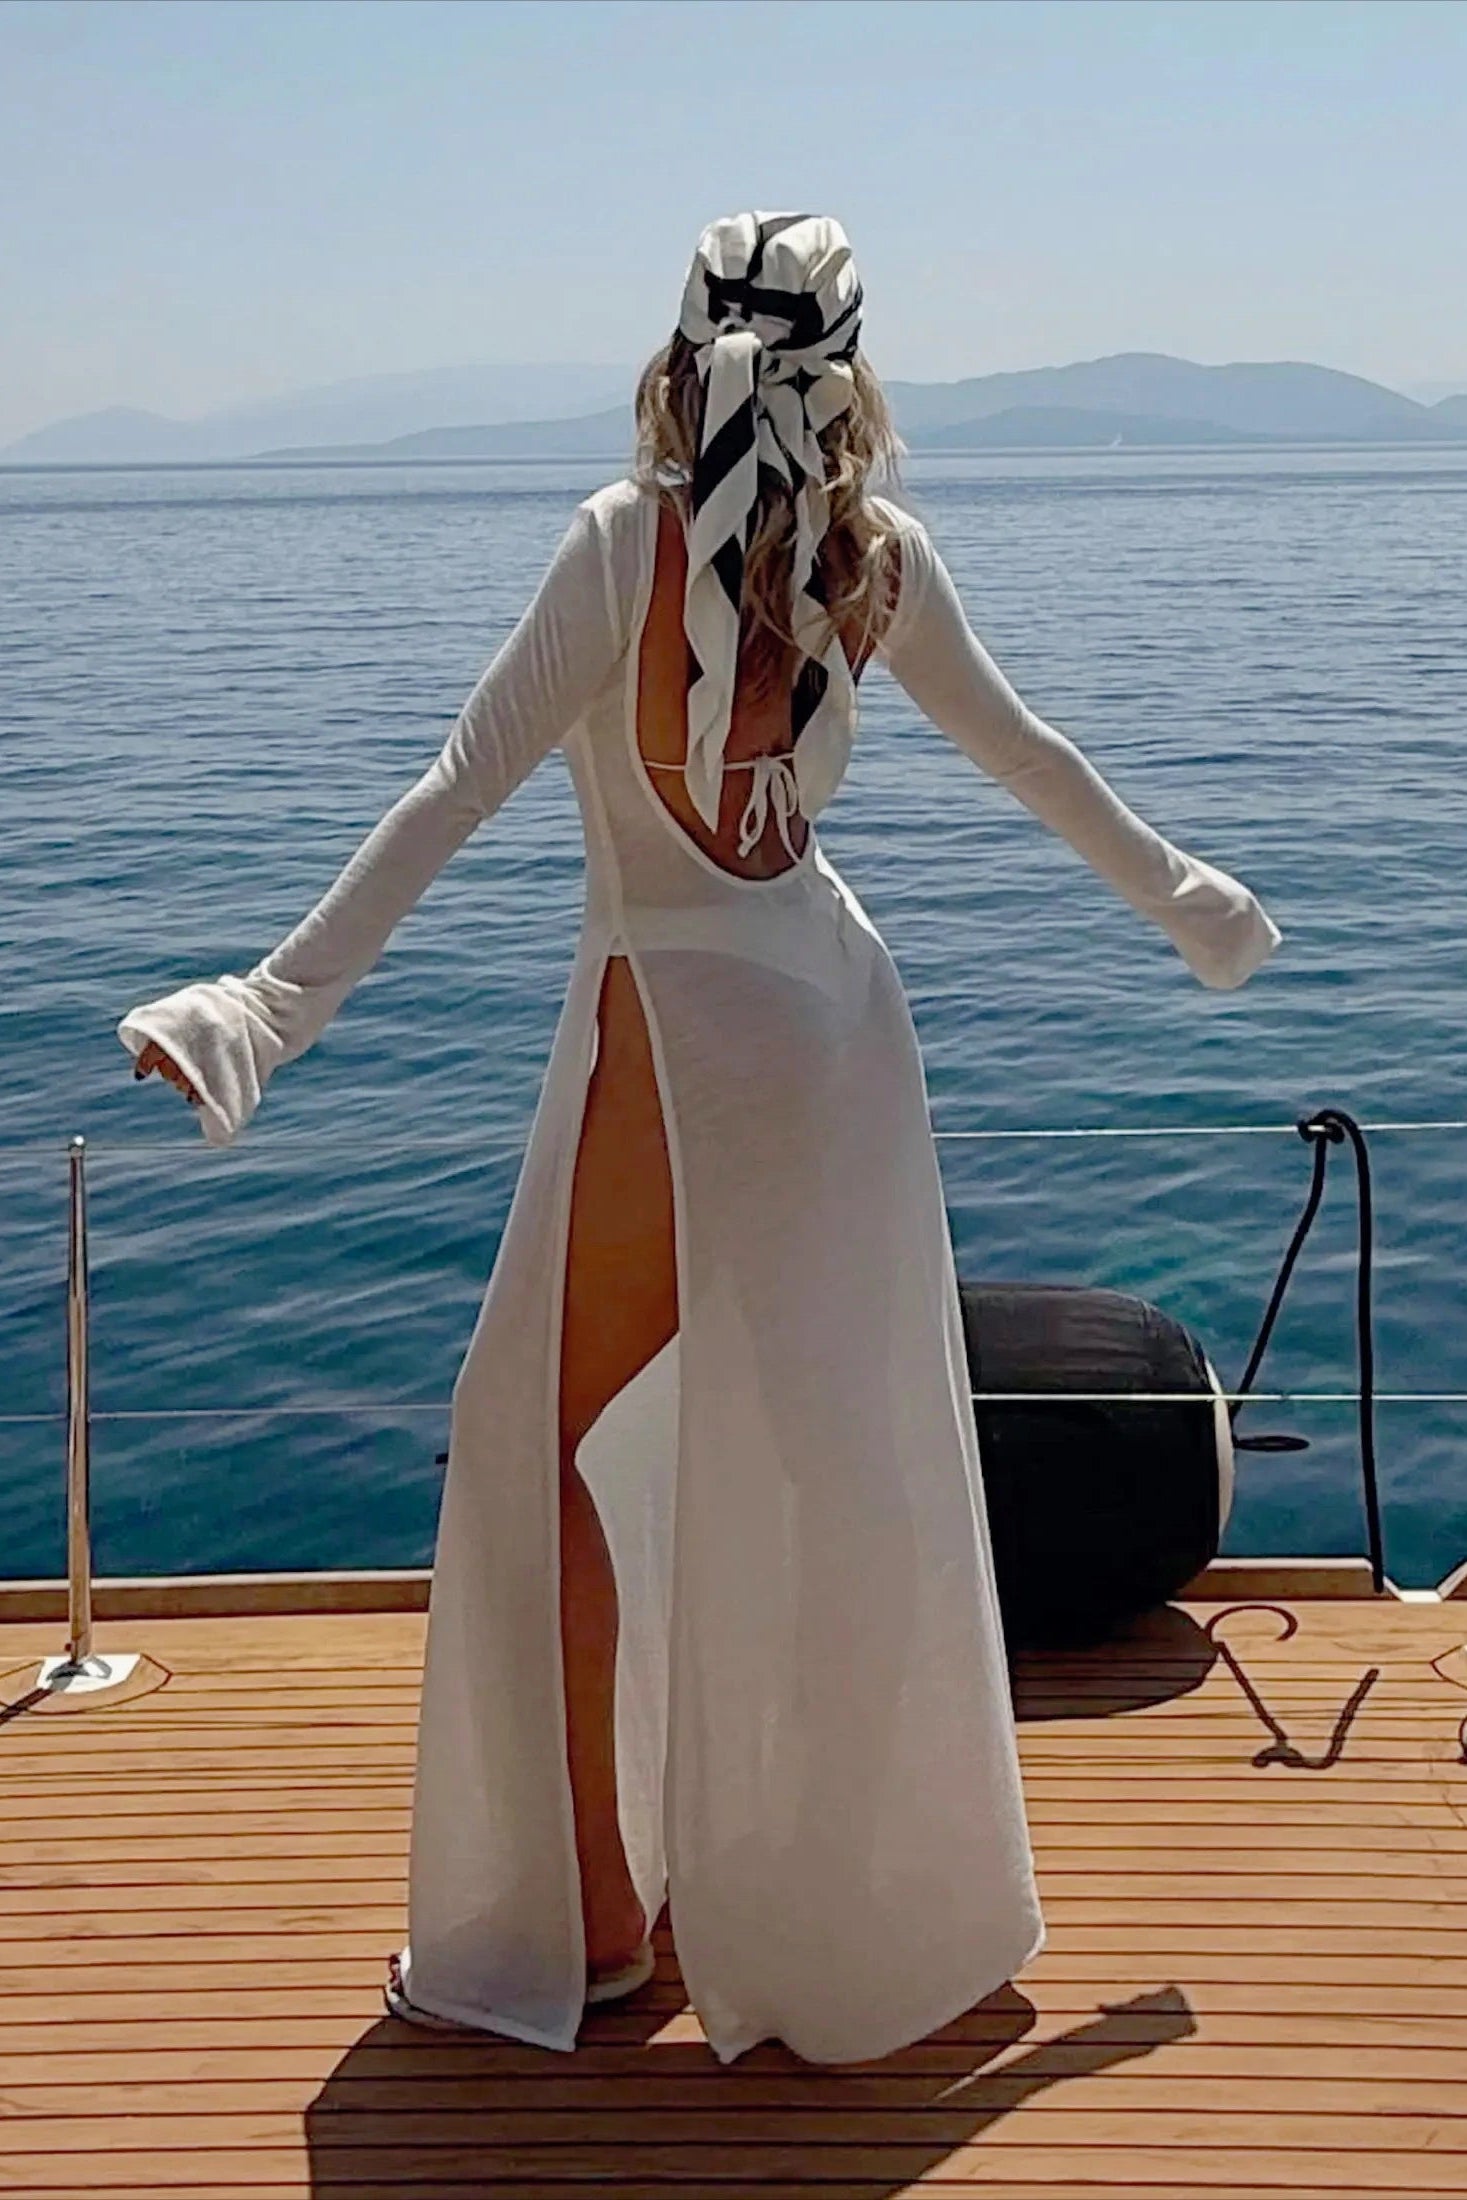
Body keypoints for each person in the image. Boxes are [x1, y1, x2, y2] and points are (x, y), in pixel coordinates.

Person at [120, 210, 1282, 2065]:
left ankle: (599, 1922)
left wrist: (261, 1009)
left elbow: (451, 794)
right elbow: (1038, 758)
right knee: (834, 1476)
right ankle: (848, 1913)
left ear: (678, 353)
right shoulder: (873, 560)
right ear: (857, 375)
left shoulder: (619, 546)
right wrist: (1194, 907)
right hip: (829, 1039)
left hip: (665, 1046)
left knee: (568, 1462)